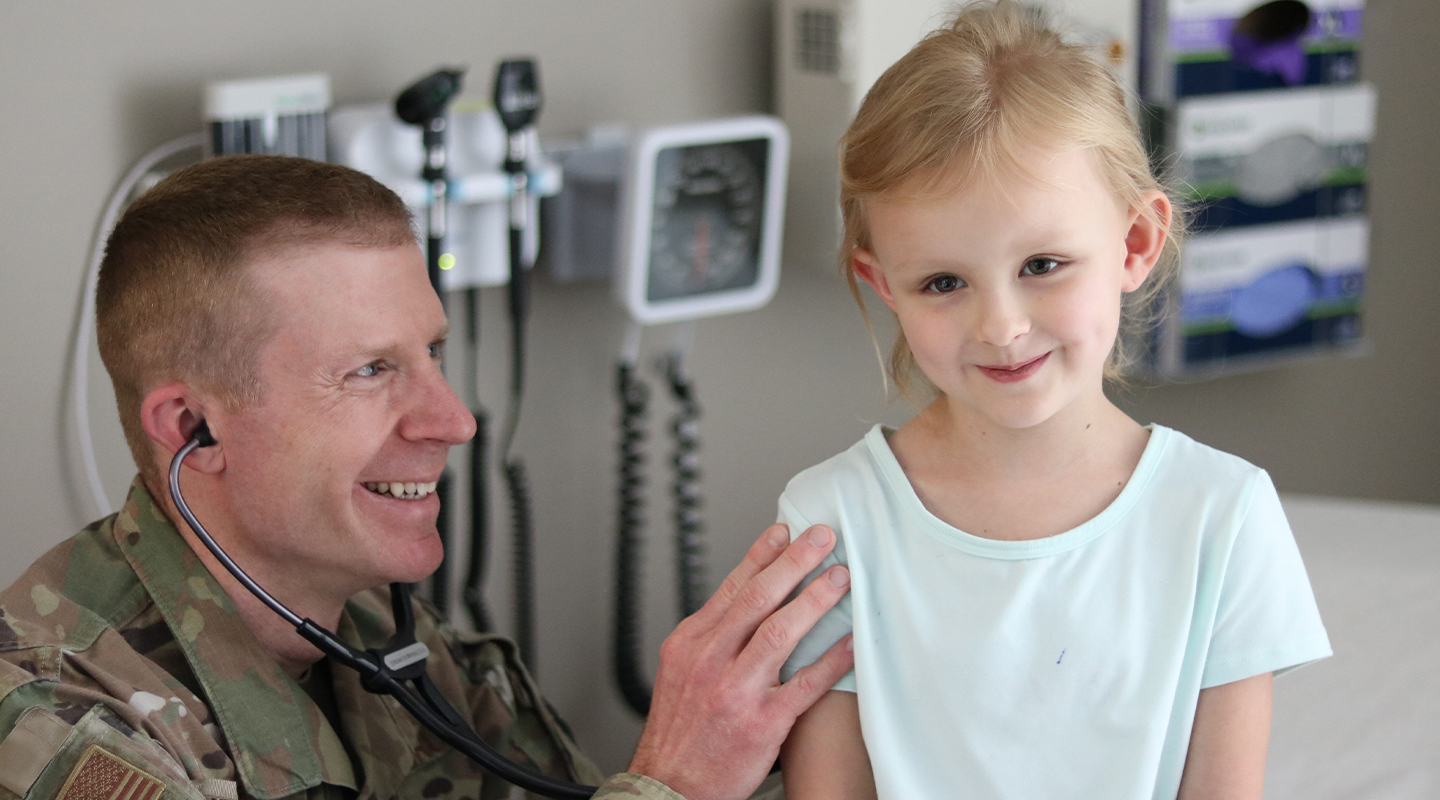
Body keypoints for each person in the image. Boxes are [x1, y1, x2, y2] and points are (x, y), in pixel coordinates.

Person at [0, 155, 855, 800]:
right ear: (195, 428)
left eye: (433, 352)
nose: (453, 420)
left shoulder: (390, 640)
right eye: (370, 370)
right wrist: (675, 782)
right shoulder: (58, 725)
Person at [774, 3, 1331, 799]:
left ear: (1135, 244)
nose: (1001, 326)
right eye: (943, 282)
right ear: (882, 284)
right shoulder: (831, 524)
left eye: (1043, 264)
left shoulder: (1223, 515)